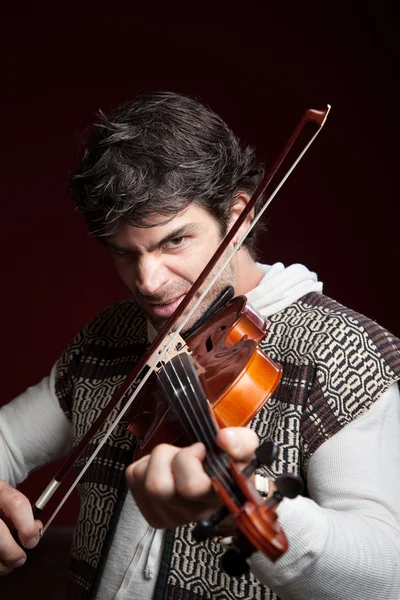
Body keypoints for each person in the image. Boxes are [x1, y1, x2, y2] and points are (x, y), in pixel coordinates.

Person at [0, 91, 399, 600]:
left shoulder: (347, 351)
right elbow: (6, 441)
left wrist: (256, 505)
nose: (147, 281)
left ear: (238, 215)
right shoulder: (107, 339)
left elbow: (385, 574)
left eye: (174, 242)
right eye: (125, 253)